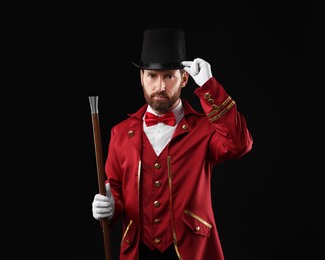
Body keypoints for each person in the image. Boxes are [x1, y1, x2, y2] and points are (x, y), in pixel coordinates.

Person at [91, 28, 253, 260]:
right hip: (138, 252)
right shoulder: (120, 133)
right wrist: (108, 207)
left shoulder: (205, 128)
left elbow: (239, 143)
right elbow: (114, 190)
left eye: (169, 76)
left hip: (191, 251)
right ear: (141, 78)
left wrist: (209, 85)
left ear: (184, 78)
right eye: (152, 76)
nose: (160, 87)